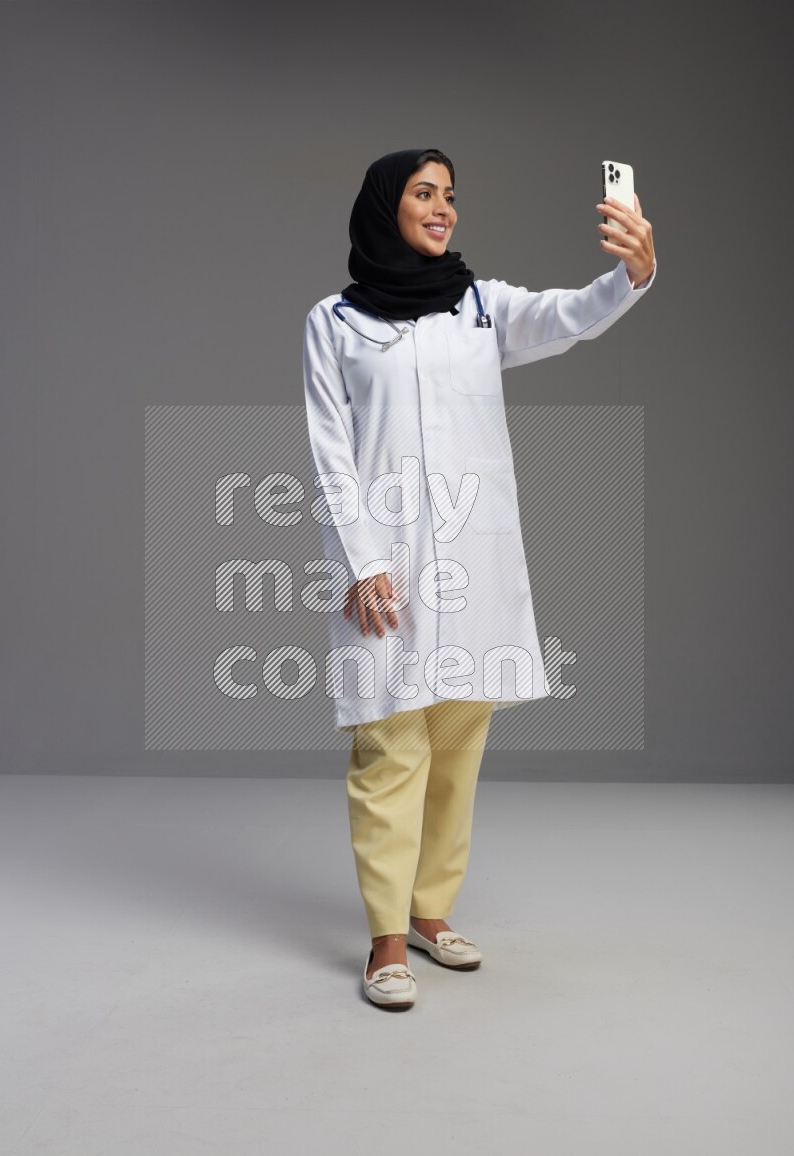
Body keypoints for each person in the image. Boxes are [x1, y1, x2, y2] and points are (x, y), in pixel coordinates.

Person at [302, 148, 656, 1009]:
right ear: (386, 206)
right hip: (384, 565)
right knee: (390, 747)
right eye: (424, 193)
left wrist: (634, 276)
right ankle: (386, 935)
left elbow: (571, 315)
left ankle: (431, 912)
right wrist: (364, 561)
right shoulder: (335, 322)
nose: (443, 208)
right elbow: (329, 451)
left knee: (458, 746)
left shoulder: (480, 306)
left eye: (451, 196)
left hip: (472, 562)